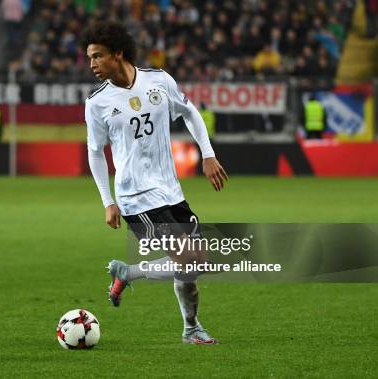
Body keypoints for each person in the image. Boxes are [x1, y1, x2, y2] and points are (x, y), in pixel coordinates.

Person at [81, 21, 228, 345]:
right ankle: (190, 331)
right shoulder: (97, 103)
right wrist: (108, 201)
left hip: (170, 189)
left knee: (195, 264)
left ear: (118, 53)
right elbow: (95, 154)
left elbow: (190, 112)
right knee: (188, 257)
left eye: (97, 56)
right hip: (136, 195)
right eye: (89, 57)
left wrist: (208, 154)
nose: (91, 64)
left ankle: (183, 321)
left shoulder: (159, 81)